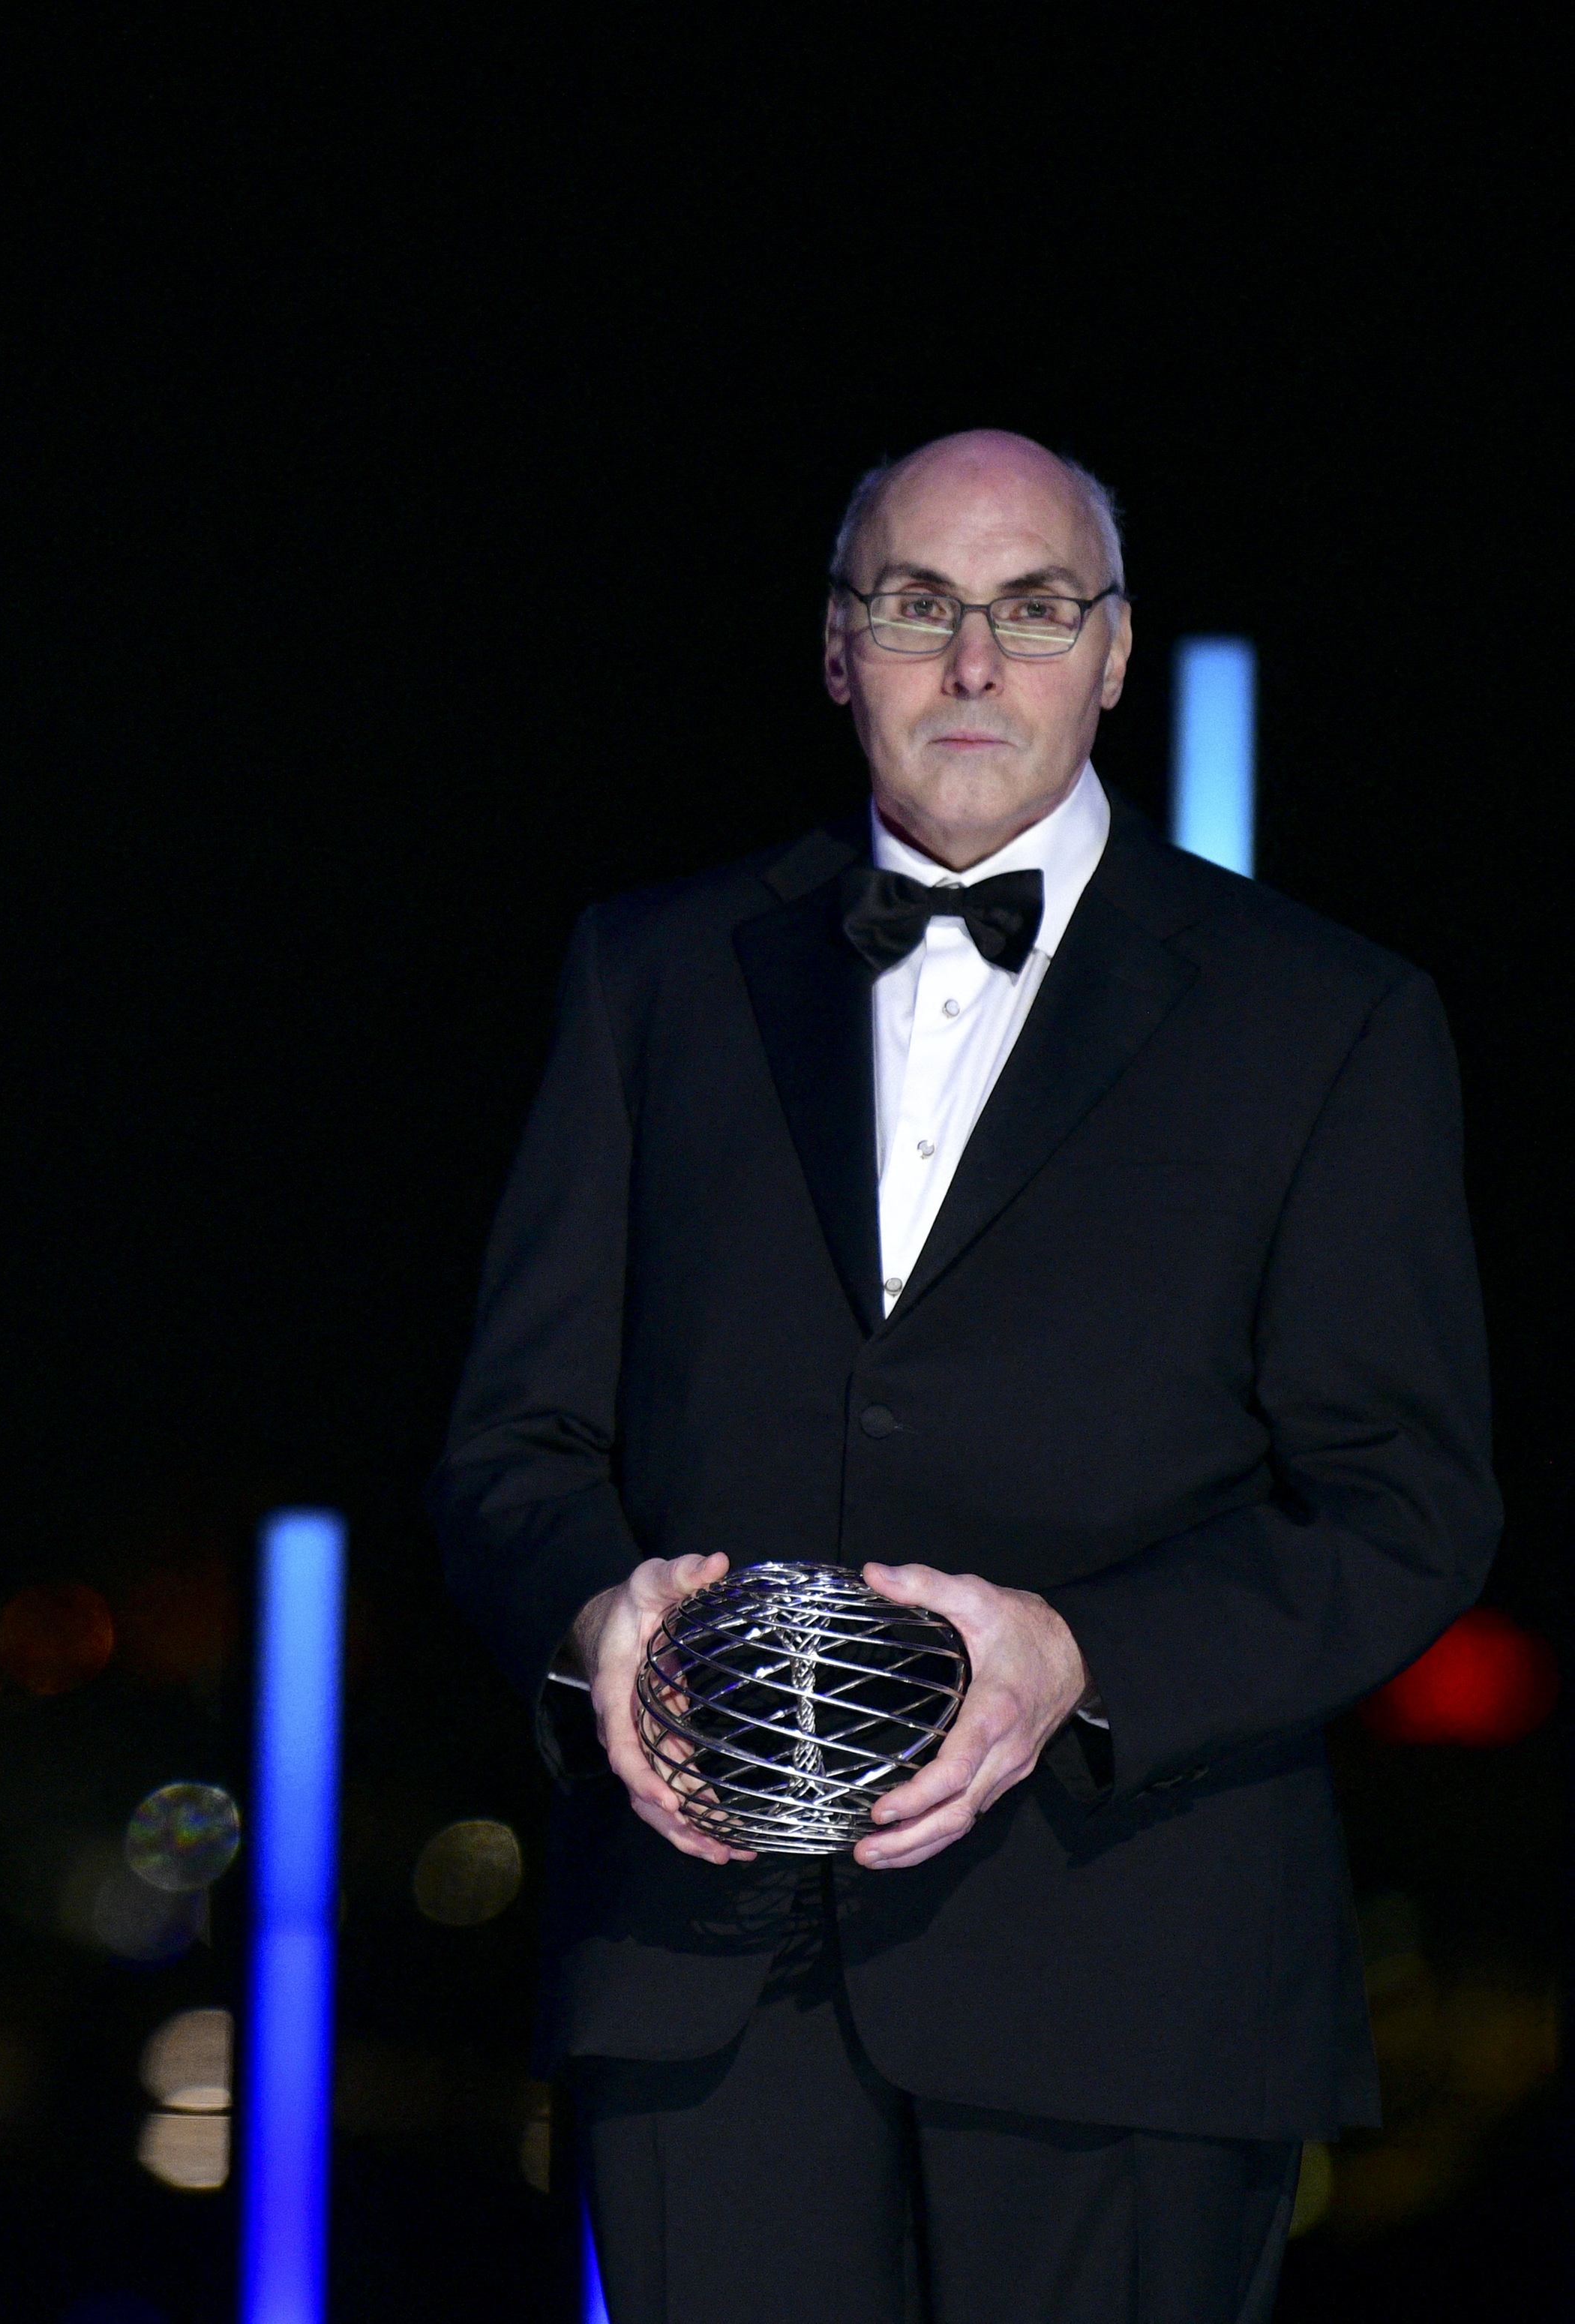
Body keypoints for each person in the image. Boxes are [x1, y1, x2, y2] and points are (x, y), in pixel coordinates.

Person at [431, 430, 1496, 2322]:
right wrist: (593, 1611)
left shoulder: (1322, 1015)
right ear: (839, 647)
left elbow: (1404, 1503)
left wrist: (1080, 1657)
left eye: (1032, 610)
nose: (976, 665)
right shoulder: (647, 973)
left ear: (1112, 651)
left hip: (1132, 1980)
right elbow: (516, 1440)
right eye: (919, 608)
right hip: (701, 1971)